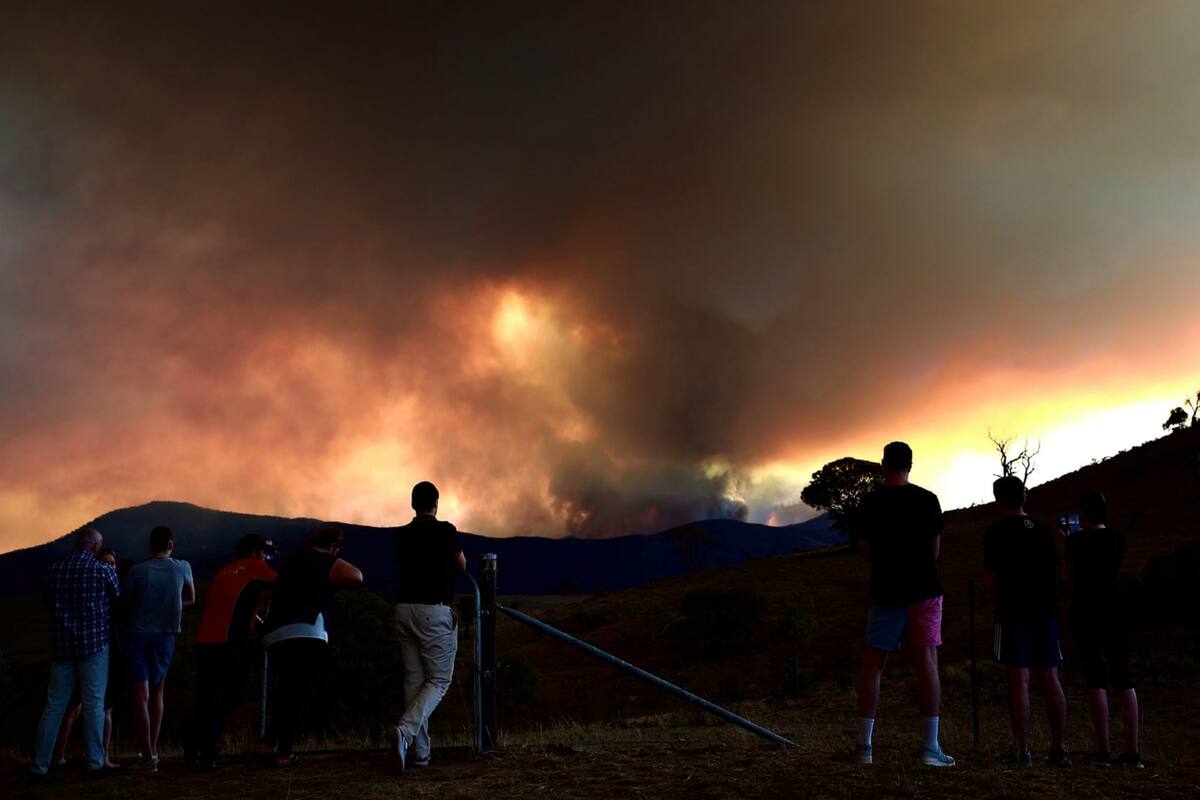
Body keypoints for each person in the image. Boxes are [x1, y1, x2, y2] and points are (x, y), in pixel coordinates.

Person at [851, 442, 954, 767]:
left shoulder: (870, 502)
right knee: (926, 661)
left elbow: (866, 553)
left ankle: (865, 748)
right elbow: (935, 553)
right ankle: (930, 747)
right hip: (924, 589)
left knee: (873, 665)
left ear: (884, 464)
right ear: (910, 464)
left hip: (885, 591)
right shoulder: (928, 500)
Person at [257, 525, 363, 766]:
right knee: (298, 692)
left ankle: (268, 742)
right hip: (306, 630)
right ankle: (283, 752)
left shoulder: (294, 560)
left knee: (286, 689)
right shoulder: (322, 560)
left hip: (274, 632)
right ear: (334, 546)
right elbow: (356, 576)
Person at [984, 476, 1068, 766]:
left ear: (998, 499)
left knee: (1018, 679)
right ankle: (1059, 747)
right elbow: (1057, 572)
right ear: (1024, 496)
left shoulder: (996, 533)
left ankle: (1023, 750)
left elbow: (992, 579)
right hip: (1045, 611)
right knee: (1050, 677)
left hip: (1012, 612)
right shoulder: (1043, 529)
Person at [30, 527, 121, 778]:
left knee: (54, 706)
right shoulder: (102, 570)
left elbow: (46, 601)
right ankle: (94, 763)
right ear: (95, 548)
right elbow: (116, 597)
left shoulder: (53, 571)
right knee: (94, 704)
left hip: (61, 647)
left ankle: (40, 765)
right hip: (94, 646)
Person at [391, 480, 467, 772]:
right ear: (436, 502)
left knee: (414, 681)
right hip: (432, 612)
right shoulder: (445, 531)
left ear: (413, 504)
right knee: (439, 681)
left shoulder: (401, 536)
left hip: (403, 610)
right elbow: (461, 566)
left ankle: (419, 753)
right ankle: (405, 732)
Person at [185, 534, 278, 770]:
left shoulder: (225, 571)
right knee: (234, 695)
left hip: (205, 641)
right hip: (231, 642)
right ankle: (209, 750)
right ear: (257, 552)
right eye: (266, 554)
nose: (267, 559)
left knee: (206, 696)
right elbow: (286, 585)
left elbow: (236, 601)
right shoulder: (256, 568)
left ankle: (193, 750)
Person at [1064, 489, 1143, 768]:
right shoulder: (1117, 538)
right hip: (1115, 611)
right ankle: (1132, 750)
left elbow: (1070, 577)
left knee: (1095, 678)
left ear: (1083, 513)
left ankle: (1103, 749)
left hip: (1086, 612)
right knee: (1124, 677)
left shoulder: (1075, 541)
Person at [123, 525, 195, 772]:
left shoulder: (136, 571)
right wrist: (172, 604)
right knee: (157, 693)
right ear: (171, 544)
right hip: (166, 636)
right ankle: (152, 752)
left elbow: (127, 602)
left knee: (140, 697)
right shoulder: (183, 567)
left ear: (150, 546)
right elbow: (191, 599)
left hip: (138, 635)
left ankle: (147, 756)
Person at [52, 549, 123, 770]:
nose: (110, 567)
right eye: (106, 563)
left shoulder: (114, 594)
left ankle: (103, 756)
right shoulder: (97, 595)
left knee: (105, 709)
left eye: (112, 563)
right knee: (74, 707)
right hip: (89, 651)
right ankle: (60, 756)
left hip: (106, 652)